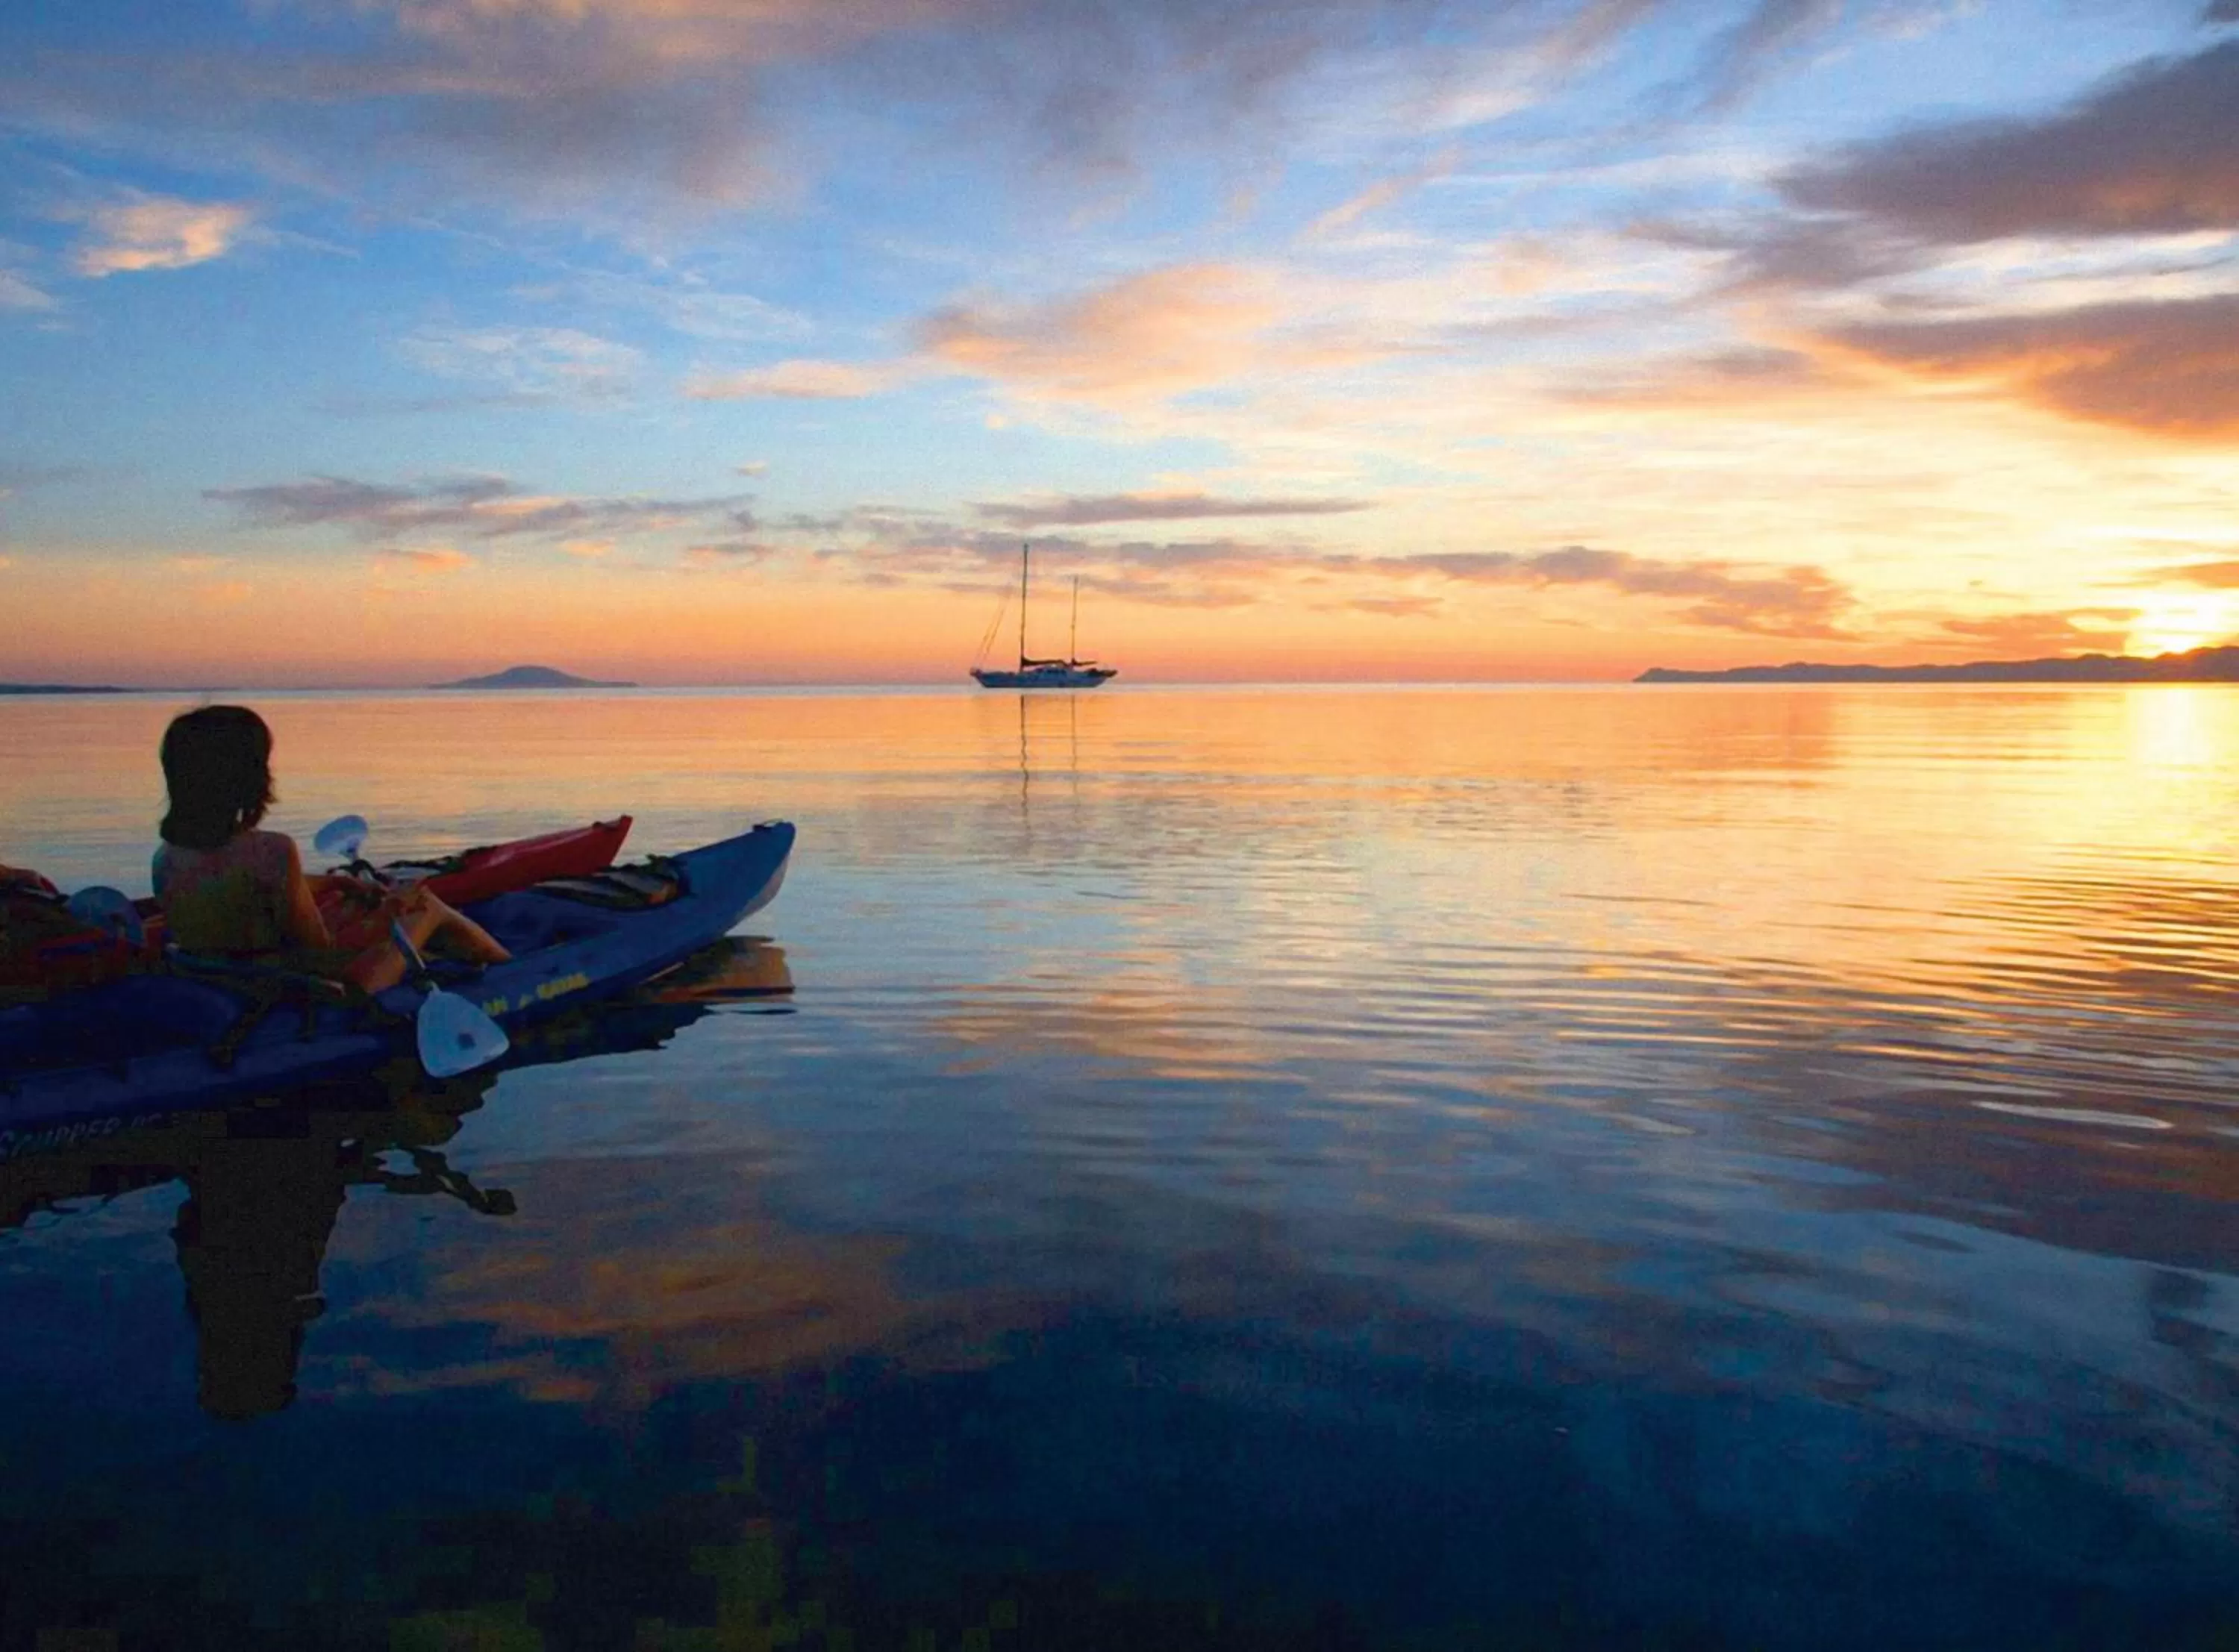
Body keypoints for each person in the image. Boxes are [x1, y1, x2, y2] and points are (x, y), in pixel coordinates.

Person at [154, 705, 509, 993]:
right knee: (426, 906)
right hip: (317, 989)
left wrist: (337, 884)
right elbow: (317, 952)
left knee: (346, 902)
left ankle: (456, 957)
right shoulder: (273, 851)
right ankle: (513, 972)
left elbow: (232, 885)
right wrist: (390, 912)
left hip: (232, 978)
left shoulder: (167, 857)